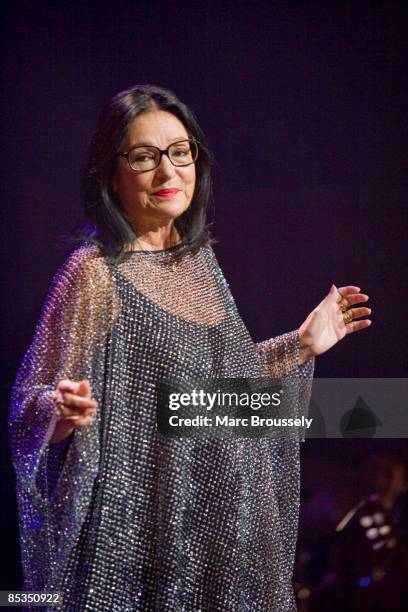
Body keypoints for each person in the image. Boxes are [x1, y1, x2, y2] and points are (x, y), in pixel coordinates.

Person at [8, 84, 372, 612]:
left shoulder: (200, 264)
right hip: (140, 543)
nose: (168, 172)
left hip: (221, 536)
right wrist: (58, 410)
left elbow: (216, 400)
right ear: (111, 173)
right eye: (143, 157)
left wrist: (301, 345)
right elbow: (27, 404)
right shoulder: (94, 272)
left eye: (180, 153)